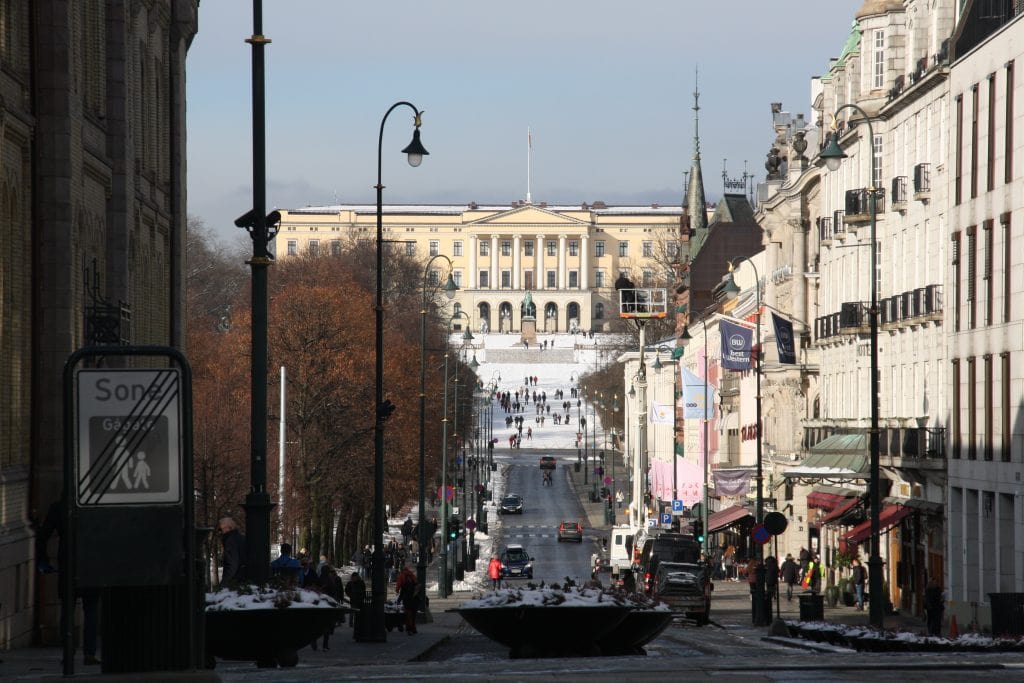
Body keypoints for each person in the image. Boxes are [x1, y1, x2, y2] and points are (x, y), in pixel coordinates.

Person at [36, 498, 101, 666]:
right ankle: (89, 653)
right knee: (91, 611)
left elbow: (43, 536)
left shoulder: (58, 507)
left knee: (67, 611)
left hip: (68, 565)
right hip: (91, 564)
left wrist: (43, 560)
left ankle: (68, 653)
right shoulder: (93, 504)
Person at [218, 516, 247, 585]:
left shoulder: (230, 541)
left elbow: (232, 564)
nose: (221, 532)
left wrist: (224, 582)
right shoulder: (241, 537)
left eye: (221, 529)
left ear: (228, 528)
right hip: (242, 578)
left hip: (235, 581)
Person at [396, 564, 419, 635]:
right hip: (414, 598)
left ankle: (409, 628)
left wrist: (397, 592)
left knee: (408, 614)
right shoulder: (411, 575)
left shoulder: (402, 575)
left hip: (407, 597)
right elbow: (417, 584)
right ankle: (414, 628)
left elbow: (399, 586)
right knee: (413, 614)